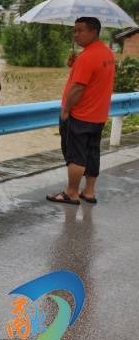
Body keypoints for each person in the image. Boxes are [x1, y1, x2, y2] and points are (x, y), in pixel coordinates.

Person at [46, 16, 115, 206]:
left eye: (79, 30)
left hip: (81, 115)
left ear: (93, 32)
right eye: (74, 30)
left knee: (76, 155)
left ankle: (71, 192)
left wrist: (66, 110)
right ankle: (89, 191)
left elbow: (77, 88)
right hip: (98, 114)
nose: (75, 34)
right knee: (92, 152)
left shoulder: (87, 57)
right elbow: (94, 78)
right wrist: (75, 64)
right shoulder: (106, 53)